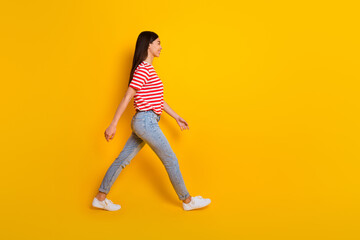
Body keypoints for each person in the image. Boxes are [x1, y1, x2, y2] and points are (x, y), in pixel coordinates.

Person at [92, 31, 211, 211]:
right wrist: (113, 124)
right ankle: (188, 201)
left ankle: (100, 197)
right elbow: (127, 96)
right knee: (170, 159)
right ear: (148, 45)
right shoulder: (143, 70)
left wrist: (176, 116)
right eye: (158, 43)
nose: (161, 47)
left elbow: (158, 100)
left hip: (143, 121)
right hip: (146, 121)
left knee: (122, 159)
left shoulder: (149, 70)